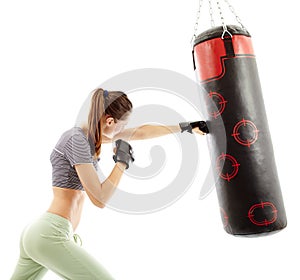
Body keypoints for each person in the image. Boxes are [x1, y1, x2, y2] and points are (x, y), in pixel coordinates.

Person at [10, 88, 207, 280]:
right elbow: (99, 198)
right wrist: (121, 163)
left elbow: (140, 132)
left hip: (45, 234)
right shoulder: (76, 139)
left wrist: (186, 127)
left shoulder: (87, 138)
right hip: (50, 233)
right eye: (121, 126)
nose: (122, 131)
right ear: (110, 121)